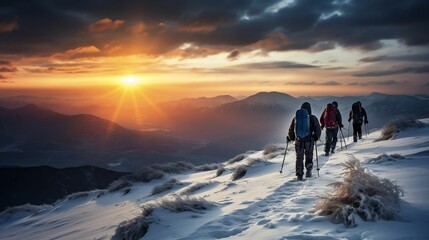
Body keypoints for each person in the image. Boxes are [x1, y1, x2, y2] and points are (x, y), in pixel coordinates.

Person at [287, 102, 321, 180]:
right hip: (309, 141)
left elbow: (291, 129)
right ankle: (308, 170)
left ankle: (299, 174)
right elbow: (317, 129)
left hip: (298, 141)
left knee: (299, 158)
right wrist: (316, 136)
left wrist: (291, 138)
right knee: (309, 156)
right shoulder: (313, 118)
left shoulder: (296, 117)